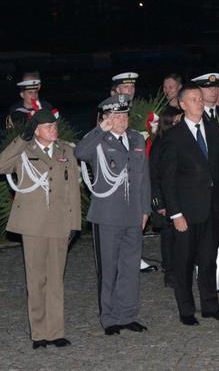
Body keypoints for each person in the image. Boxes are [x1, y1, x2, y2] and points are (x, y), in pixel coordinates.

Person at [0, 109, 81, 350]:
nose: (54, 129)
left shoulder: (67, 150)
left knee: (56, 279)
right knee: (36, 280)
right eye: (48, 127)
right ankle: (39, 332)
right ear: (36, 131)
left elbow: (73, 189)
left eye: (54, 126)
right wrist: (21, 139)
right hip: (33, 224)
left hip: (60, 223)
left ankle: (56, 331)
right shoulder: (24, 150)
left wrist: (75, 223)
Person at [75, 94, 150, 336]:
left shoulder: (137, 138)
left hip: (133, 214)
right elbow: (80, 152)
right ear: (106, 118)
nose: (122, 119)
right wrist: (99, 130)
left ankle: (127, 315)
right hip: (107, 215)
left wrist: (145, 209)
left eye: (125, 114)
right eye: (116, 115)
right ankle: (108, 318)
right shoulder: (99, 140)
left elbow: (143, 178)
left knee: (129, 267)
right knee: (108, 269)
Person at [159, 83, 219, 326]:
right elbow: (167, 178)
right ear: (182, 104)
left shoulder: (214, 130)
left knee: (209, 259)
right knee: (184, 262)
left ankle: (210, 306)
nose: (199, 103)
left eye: (201, 98)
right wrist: (175, 213)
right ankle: (186, 309)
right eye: (193, 99)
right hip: (187, 211)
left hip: (213, 207)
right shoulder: (173, 135)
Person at [110, 72, 158, 273]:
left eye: (132, 87)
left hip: (138, 168)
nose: (129, 91)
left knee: (138, 213)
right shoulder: (109, 110)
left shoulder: (138, 111)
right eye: (125, 88)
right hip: (117, 174)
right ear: (116, 91)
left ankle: (135, 256)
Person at [149, 106, 183, 288]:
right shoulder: (160, 143)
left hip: (181, 196)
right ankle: (169, 272)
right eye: (176, 121)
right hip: (164, 197)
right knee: (168, 237)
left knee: (180, 236)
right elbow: (153, 175)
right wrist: (158, 201)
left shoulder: (180, 141)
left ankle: (180, 269)